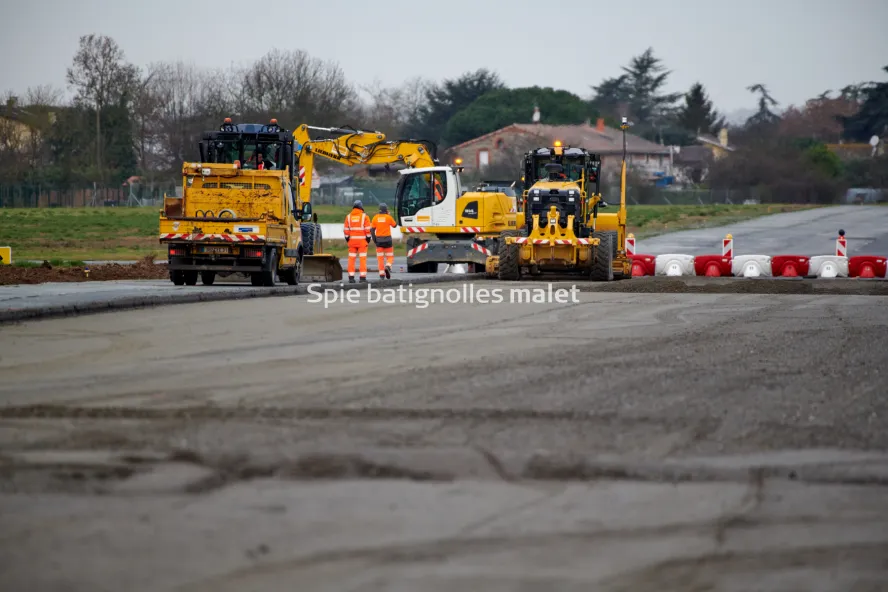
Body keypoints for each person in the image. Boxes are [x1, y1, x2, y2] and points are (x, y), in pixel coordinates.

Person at [343, 199, 372, 282]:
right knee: (362, 259)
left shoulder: (348, 217)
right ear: (361, 207)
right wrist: (368, 239)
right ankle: (362, 277)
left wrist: (347, 238)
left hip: (352, 242)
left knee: (351, 259)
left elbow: (346, 230)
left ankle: (351, 277)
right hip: (362, 242)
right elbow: (368, 230)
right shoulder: (364, 216)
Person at [371, 203, 397, 279]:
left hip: (379, 241)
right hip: (388, 241)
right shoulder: (388, 217)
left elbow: (372, 230)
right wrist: (388, 215)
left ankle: (382, 275)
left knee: (380, 259)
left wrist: (375, 240)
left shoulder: (375, 218)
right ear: (386, 210)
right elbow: (395, 225)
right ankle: (388, 266)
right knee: (390, 257)